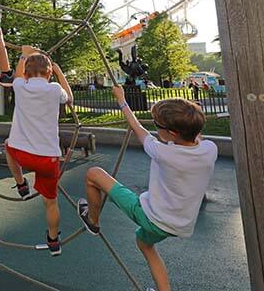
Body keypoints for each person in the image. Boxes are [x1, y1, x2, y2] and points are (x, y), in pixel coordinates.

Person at [77, 87, 217, 291]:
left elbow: (137, 127)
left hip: (150, 217)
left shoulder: (161, 151)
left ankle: (93, 221)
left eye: (158, 126)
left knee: (94, 174)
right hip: (179, 224)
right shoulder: (209, 150)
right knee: (144, 244)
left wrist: (122, 101)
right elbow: (196, 137)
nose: (155, 128)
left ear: (172, 133)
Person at [4, 46, 73, 256]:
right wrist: (59, 72)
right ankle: (53, 241)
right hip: (47, 158)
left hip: (20, 153)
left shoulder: (20, 86)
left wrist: (24, 54)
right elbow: (69, 97)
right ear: (49, 73)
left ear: (25, 73)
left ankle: (21, 184)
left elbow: (15, 76)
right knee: (50, 202)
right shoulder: (53, 89)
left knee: (8, 145)